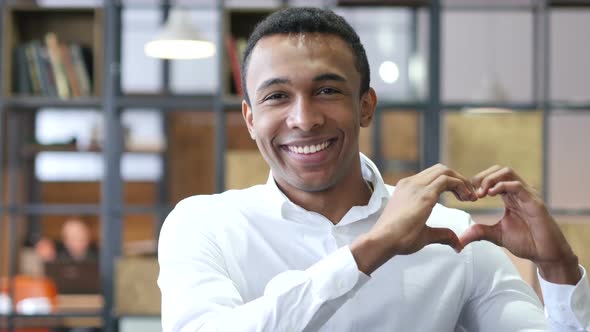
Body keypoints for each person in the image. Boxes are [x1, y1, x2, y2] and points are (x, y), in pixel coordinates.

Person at [158, 7, 589, 331]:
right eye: (277, 97)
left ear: (365, 106)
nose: (304, 119)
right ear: (250, 119)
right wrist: (374, 247)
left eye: (327, 90)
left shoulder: (454, 236)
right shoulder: (203, 224)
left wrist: (559, 268)